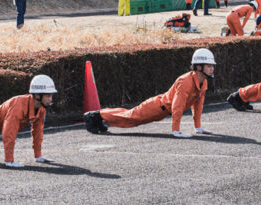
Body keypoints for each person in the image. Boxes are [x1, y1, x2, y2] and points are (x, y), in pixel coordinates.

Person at [85, 49, 215, 138]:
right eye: (209, 66)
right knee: (130, 118)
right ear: (199, 67)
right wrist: (176, 130)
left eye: (212, 66)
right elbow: (177, 106)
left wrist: (198, 127)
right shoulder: (185, 81)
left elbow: (198, 106)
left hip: (162, 111)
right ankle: (95, 116)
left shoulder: (203, 82)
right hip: (157, 107)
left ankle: (99, 117)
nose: (212, 69)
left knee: (130, 117)